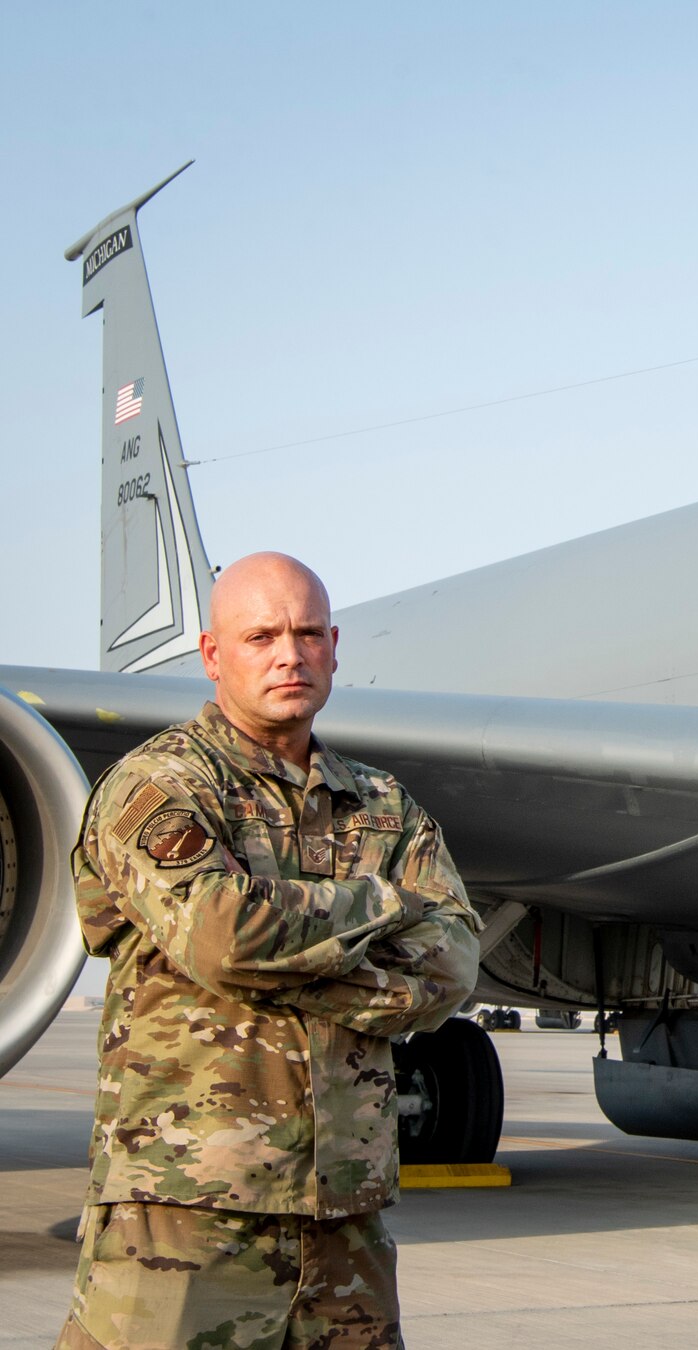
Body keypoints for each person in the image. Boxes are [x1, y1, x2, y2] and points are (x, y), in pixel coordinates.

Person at [58, 552, 482, 1349]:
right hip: (187, 1216)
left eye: (308, 633)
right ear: (214, 655)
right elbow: (224, 938)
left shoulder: (383, 805)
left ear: (333, 645)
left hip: (343, 1222)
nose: (290, 653)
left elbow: (454, 962)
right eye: (261, 636)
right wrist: (385, 903)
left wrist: (279, 970)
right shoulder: (159, 786)